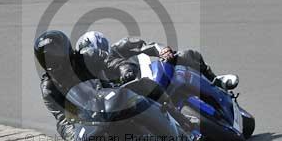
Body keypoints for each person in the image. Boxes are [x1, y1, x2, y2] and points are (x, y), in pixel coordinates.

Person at [34, 29, 198, 141]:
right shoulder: (49, 88)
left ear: (66, 49)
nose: (52, 59)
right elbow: (62, 119)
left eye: (54, 53)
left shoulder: (87, 55)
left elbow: (111, 62)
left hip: (115, 94)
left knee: (147, 87)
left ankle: (181, 120)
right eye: (46, 56)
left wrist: (125, 71)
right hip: (90, 118)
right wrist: (73, 137)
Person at [76, 31, 239, 90]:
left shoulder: (120, 47)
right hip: (139, 100)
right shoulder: (92, 80)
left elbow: (149, 46)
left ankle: (215, 81)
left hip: (155, 75)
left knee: (186, 55)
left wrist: (163, 51)